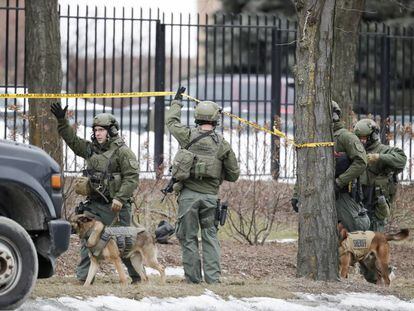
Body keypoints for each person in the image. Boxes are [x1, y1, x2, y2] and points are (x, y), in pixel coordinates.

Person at [50, 102, 141, 284]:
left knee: (124, 242)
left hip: (117, 207)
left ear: (112, 131)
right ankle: (84, 278)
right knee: (87, 240)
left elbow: (131, 178)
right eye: (96, 130)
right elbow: (73, 141)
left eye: (102, 130)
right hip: (95, 204)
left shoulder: (123, 152)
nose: (98, 133)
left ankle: (137, 277)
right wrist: (62, 121)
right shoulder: (91, 149)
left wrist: (120, 198)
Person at [165, 87, 240, 284]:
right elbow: (234, 175)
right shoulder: (222, 145)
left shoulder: (187, 135)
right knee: (210, 237)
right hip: (209, 198)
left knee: (188, 238)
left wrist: (177, 102)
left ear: (197, 118)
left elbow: (171, 122)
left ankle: (193, 280)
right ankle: (213, 280)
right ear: (216, 120)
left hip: (188, 197)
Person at [292, 101, 370, 232]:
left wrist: (339, 182)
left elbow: (361, 162)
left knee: (358, 227)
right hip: (315, 193)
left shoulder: (346, 137)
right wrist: (296, 194)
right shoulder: (312, 138)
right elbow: (304, 169)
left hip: (342, 194)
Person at [353, 118, 407, 232]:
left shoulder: (383, 150)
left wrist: (379, 157)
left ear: (372, 136)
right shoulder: (355, 151)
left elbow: (402, 159)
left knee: (375, 240)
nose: (361, 141)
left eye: (363, 137)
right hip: (358, 203)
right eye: (359, 137)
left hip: (375, 204)